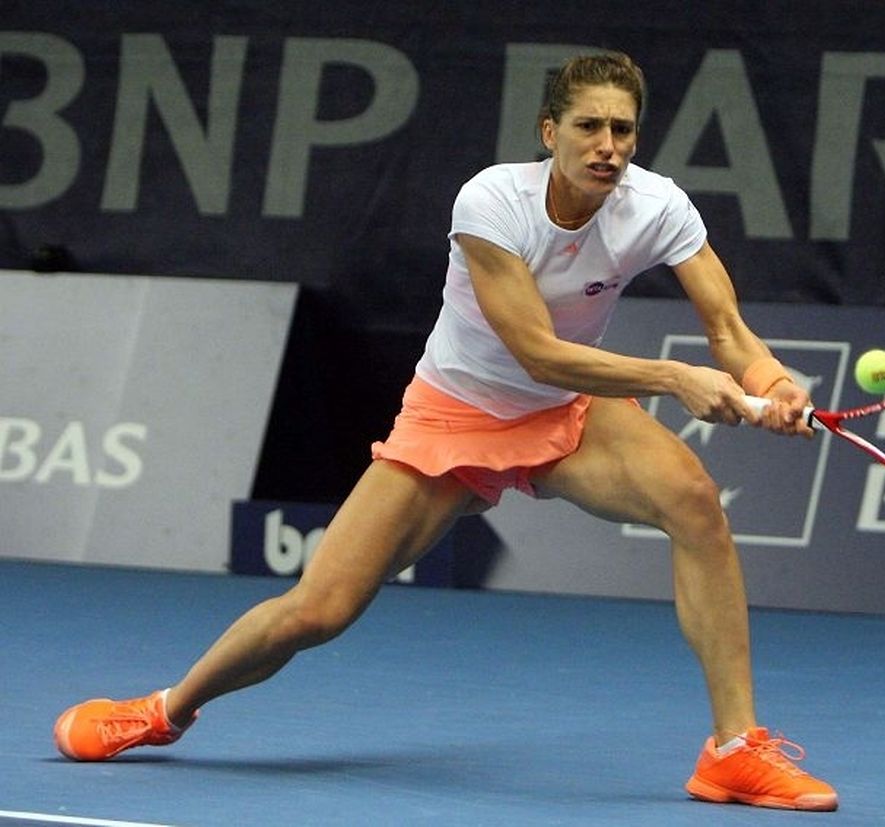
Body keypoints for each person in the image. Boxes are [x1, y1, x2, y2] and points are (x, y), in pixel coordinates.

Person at [52, 51, 839, 812]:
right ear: (549, 132)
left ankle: (733, 748)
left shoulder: (658, 206)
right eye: (589, 126)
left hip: (566, 412)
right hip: (456, 414)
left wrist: (770, 383)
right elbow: (535, 350)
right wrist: (673, 377)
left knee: (694, 501)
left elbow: (728, 329)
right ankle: (163, 709)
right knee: (317, 610)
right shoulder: (491, 203)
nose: (608, 146)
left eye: (623, 130)